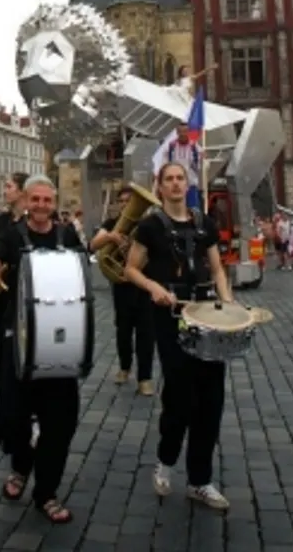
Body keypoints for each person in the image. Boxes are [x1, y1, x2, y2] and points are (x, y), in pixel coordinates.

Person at [0, 175, 84, 525]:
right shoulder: (10, 233)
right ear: (25, 200)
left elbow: (82, 276)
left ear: (54, 203)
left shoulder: (66, 235)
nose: (40, 206)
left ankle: (47, 492)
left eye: (46, 200)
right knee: (16, 416)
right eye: (34, 199)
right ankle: (20, 468)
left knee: (60, 422)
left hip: (59, 339)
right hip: (18, 336)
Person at [125, 162, 232, 511]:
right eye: (168, 179)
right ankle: (166, 460)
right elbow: (130, 268)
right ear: (160, 186)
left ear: (187, 184)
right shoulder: (150, 226)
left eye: (179, 178)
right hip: (170, 318)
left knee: (212, 398)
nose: (174, 183)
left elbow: (216, 269)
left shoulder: (204, 224)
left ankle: (200, 481)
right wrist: (153, 286)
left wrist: (228, 305)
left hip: (206, 317)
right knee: (180, 396)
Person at [90, 186, 154, 394]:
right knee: (123, 330)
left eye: (130, 201)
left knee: (146, 332)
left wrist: (133, 250)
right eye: (123, 201)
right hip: (122, 286)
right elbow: (93, 245)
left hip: (144, 285)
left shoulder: (147, 226)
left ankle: (145, 378)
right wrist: (111, 237)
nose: (126, 204)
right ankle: (124, 367)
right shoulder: (111, 224)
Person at [0, 172, 28, 346]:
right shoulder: (0, 221)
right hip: (1, 291)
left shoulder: (32, 220)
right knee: (2, 340)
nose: (5, 191)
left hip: (24, 289)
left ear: (21, 192)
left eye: (9, 187)